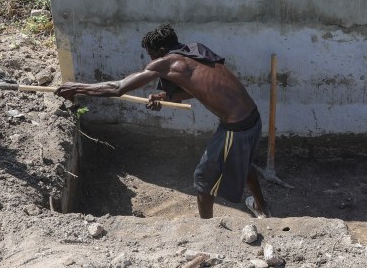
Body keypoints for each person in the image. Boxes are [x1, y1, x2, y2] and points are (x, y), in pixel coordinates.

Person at [55, 24, 271, 219]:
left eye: (151, 55)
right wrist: (164, 97)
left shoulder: (166, 62)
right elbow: (200, 90)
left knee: (203, 180)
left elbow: (118, 88)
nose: (151, 61)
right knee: (245, 165)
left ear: (159, 51)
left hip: (236, 129)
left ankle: (207, 231)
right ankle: (262, 209)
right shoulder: (196, 52)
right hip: (252, 118)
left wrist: (77, 88)